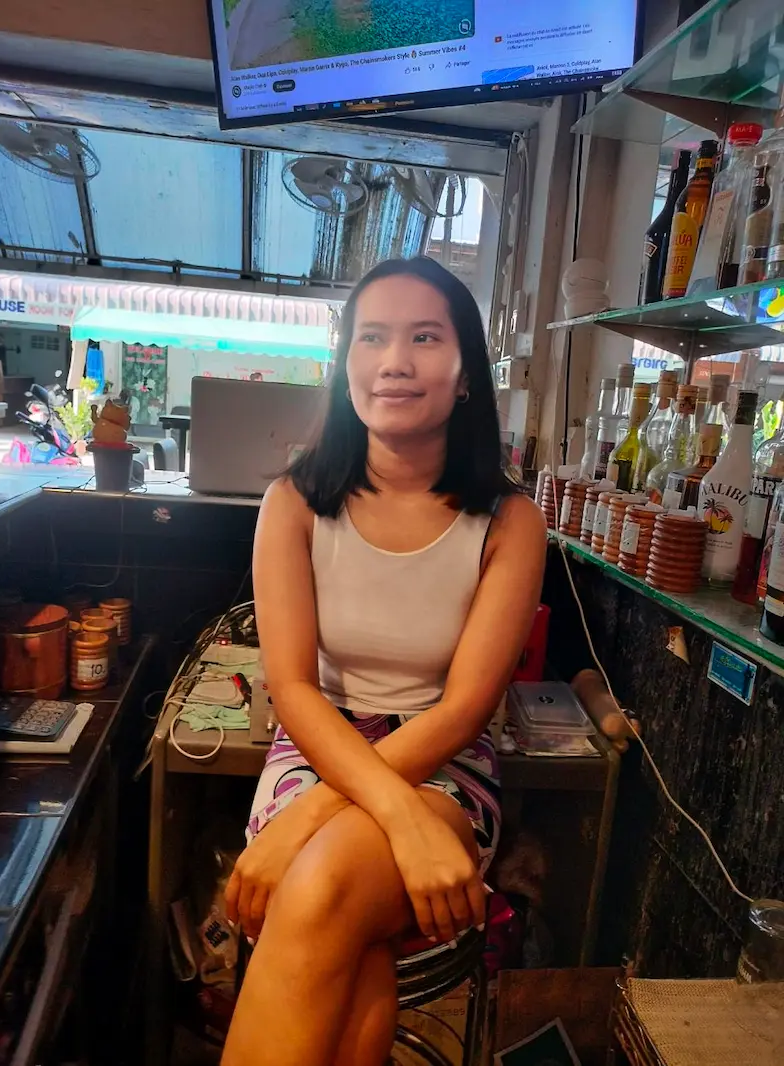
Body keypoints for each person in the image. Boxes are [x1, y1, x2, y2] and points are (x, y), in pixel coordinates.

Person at [222, 257, 546, 1066]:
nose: (394, 360)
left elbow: (465, 707)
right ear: (346, 364)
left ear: (465, 370)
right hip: (318, 744)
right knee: (351, 934)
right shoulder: (292, 503)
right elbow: (293, 687)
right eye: (372, 337)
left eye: (424, 337)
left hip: (442, 760)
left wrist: (313, 822)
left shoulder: (509, 520)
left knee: (325, 883)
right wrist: (380, 813)